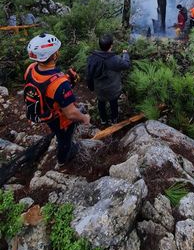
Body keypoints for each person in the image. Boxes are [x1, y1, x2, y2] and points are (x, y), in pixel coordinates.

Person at [25, 33, 90, 167]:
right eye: (56, 51)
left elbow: (45, 86)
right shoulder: (59, 84)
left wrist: (65, 79)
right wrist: (84, 118)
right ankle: (62, 161)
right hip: (59, 119)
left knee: (58, 133)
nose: (58, 53)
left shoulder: (31, 69)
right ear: (53, 55)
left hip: (45, 112)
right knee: (64, 140)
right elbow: (71, 113)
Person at [86, 33, 130, 125]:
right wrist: (125, 54)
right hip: (113, 89)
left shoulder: (92, 58)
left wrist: (91, 87)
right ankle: (114, 119)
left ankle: (103, 120)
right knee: (113, 103)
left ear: (100, 45)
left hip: (99, 89)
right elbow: (126, 65)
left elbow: (89, 74)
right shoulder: (115, 59)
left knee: (101, 103)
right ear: (111, 45)